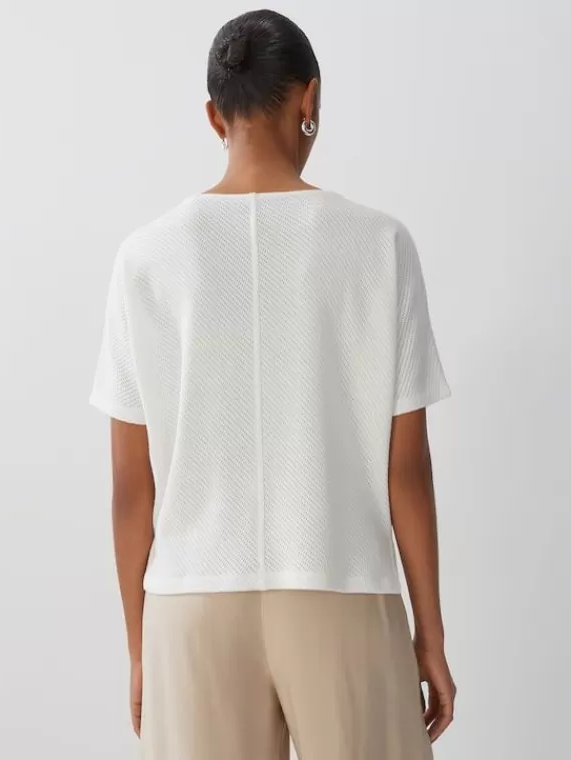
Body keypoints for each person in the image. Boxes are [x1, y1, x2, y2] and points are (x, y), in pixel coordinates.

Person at [89, 9, 456, 760]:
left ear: (213, 115)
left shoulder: (145, 259)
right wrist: (430, 636)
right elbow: (408, 471)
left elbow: (131, 486)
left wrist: (139, 645)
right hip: (341, 584)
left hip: (191, 602)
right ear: (309, 98)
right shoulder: (380, 246)